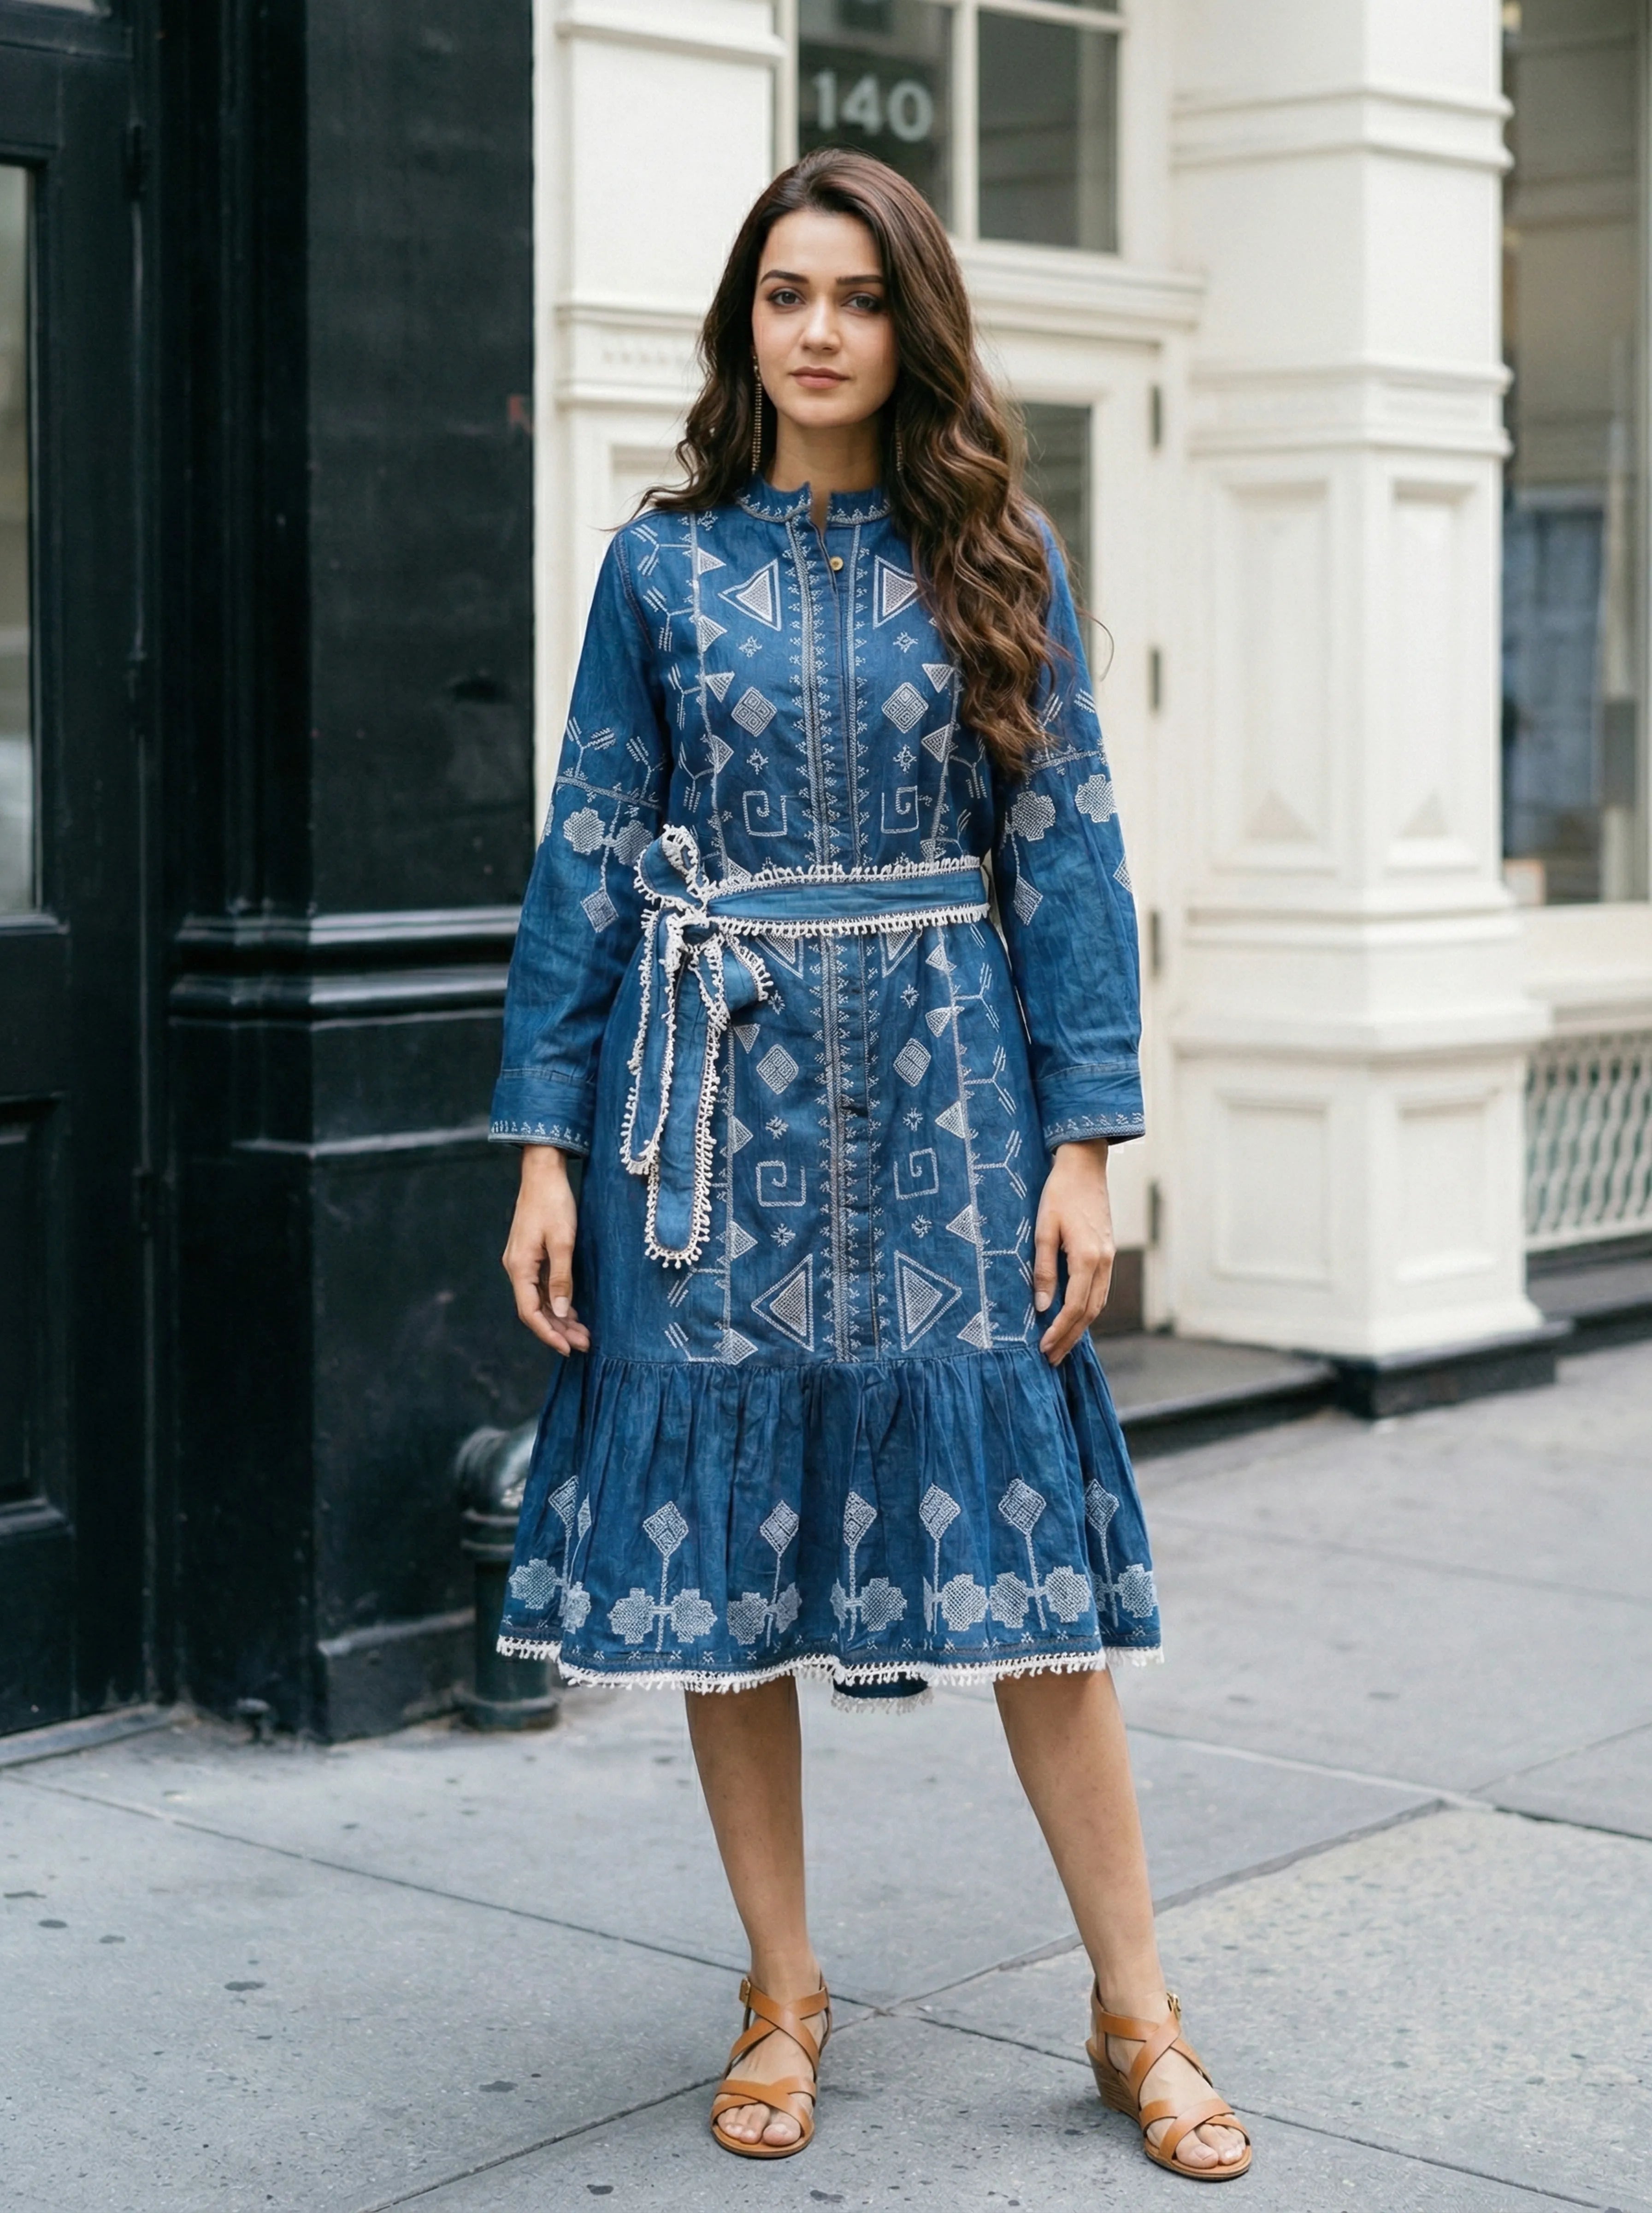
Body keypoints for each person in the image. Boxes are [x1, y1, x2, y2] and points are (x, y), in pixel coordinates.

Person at [490, 147, 1249, 2182]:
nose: (816, 331)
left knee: (1029, 1593)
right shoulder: (658, 573)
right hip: (701, 1135)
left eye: (854, 296)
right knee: (723, 1597)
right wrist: (543, 1145)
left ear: (910, 325)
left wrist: (1082, 1144)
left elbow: (1065, 846)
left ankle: (1134, 2009)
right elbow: (581, 852)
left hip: (950, 1116)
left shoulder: (994, 550)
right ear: (746, 327)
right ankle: (779, 1987)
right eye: (781, 296)